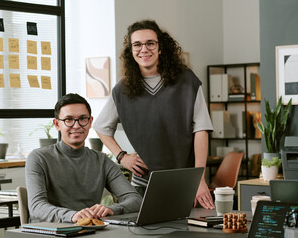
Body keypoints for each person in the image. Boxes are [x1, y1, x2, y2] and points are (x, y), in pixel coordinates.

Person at [93, 19, 215, 209]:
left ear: (160, 47)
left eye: (150, 43)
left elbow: (201, 130)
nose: (144, 49)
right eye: (137, 45)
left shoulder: (187, 80)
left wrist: (198, 179)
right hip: (144, 185)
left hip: (185, 183)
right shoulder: (122, 90)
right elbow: (101, 127)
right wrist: (122, 157)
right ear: (131, 51)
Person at [26, 93, 142, 223]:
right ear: (57, 124)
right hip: (49, 232)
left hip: (89, 230)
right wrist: (72, 215)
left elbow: (136, 200)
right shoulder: (38, 158)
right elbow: (36, 207)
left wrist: (113, 209)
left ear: (90, 122)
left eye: (82, 119)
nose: (76, 126)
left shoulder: (102, 161)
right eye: (68, 120)